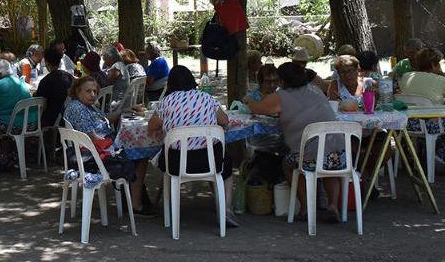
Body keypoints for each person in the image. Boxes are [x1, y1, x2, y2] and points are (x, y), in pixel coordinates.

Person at [244, 62, 343, 221]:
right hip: (339, 154)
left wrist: (249, 100)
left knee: (288, 164)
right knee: (328, 166)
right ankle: (332, 205)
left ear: (282, 81)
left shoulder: (281, 96)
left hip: (308, 158)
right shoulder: (316, 90)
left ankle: (305, 206)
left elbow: (258, 109)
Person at [146, 66, 238, 227]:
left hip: (175, 163)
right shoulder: (207, 98)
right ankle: (226, 209)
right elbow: (224, 121)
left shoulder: (166, 102)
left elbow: (151, 126)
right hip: (210, 161)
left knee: (164, 158)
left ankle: (168, 212)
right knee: (227, 166)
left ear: (171, 84)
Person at [63, 76, 147, 215]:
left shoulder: (88, 107)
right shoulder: (78, 109)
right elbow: (91, 137)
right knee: (141, 154)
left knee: (136, 150)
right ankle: (135, 204)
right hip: (95, 155)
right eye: (88, 91)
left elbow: (104, 120)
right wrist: (117, 144)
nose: (92, 95)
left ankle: (132, 199)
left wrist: (123, 111)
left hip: (99, 149)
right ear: (78, 92)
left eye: (95, 91)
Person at [35, 48, 74, 127]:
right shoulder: (69, 76)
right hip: (67, 113)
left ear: (46, 62)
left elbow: (39, 103)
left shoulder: (46, 81)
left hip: (51, 117)